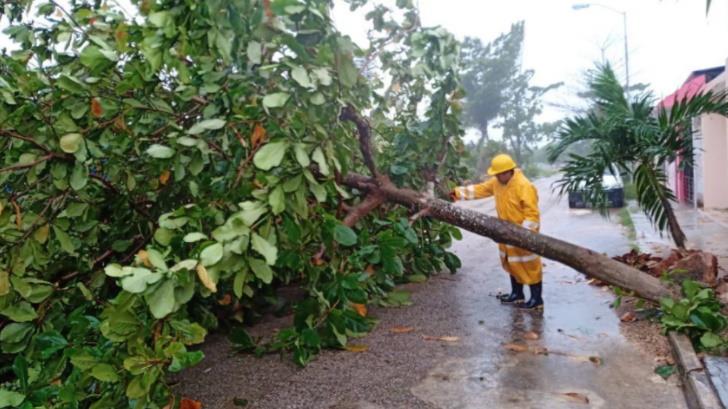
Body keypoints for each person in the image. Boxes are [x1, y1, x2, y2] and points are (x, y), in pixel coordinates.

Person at [450, 154, 544, 310]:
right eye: (496, 174)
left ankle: (536, 299)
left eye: (500, 174)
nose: (498, 177)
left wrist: (525, 234)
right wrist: (458, 193)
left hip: (523, 234)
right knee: (512, 263)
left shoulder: (524, 186)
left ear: (509, 171)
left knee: (530, 266)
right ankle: (517, 294)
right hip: (506, 233)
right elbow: (480, 189)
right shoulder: (497, 183)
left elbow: (532, 213)